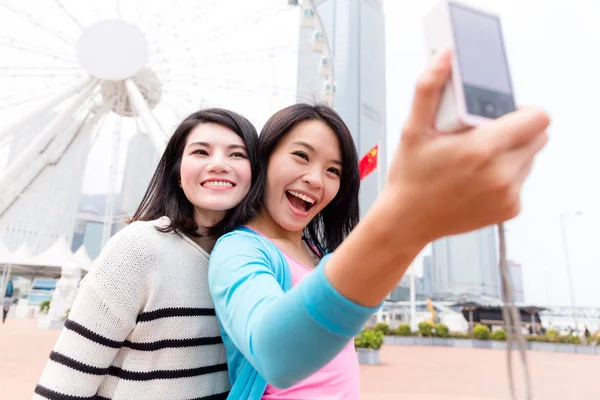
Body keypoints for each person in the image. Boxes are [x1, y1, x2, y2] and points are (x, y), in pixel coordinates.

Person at [209, 49, 549, 399]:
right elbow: (274, 354)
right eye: (301, 156)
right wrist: (408, 216)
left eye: (333, 171)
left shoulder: (317, 253)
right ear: (263, 159)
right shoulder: (239, 249)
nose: (316, 179)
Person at [34, 108, 260, 400]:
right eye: (201, 152)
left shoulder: (253, 262)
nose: (218, 164)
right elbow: (64, 385)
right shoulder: (137, 249)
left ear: (256, 174)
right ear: (177, 174)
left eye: (237, 155)